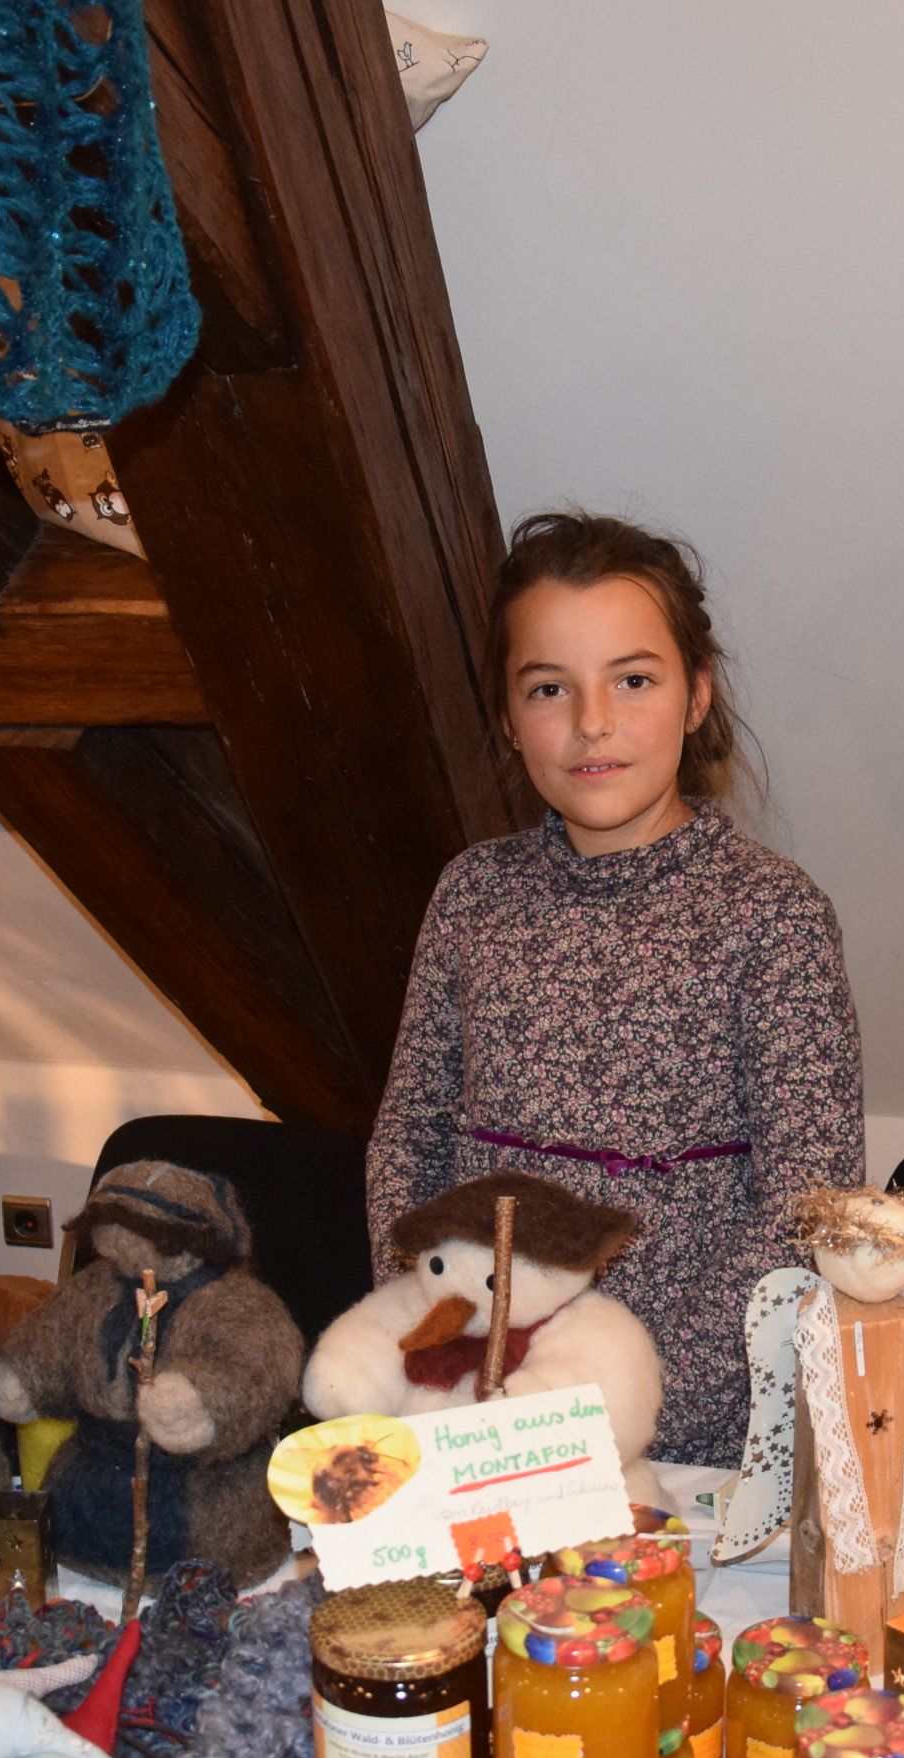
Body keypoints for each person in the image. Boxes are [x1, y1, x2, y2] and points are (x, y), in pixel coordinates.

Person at [367, 511, 864, 1465]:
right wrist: (434, 1340)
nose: (591, 722)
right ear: (508, 718)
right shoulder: (471, 895)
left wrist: (616, 1400)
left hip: (677, 1438)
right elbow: (409, 1137)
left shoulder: (773, 915)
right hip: (470, 1409)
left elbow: (805, 1205)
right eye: (549, 688)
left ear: (696, 694)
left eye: (633, 680)